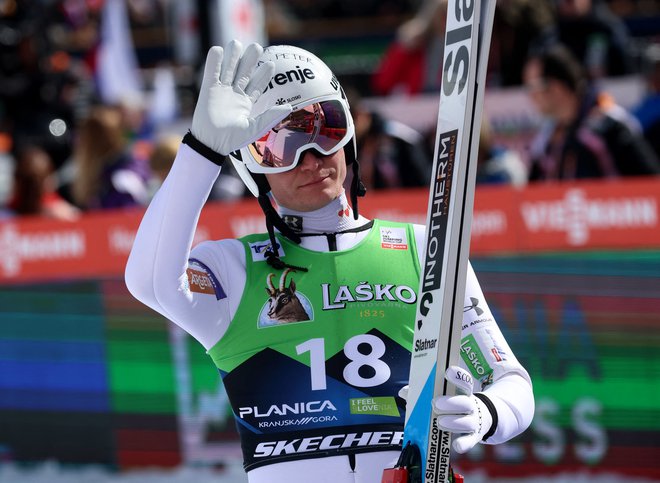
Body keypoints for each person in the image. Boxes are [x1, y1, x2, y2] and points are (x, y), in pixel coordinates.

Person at [125, 41, 534, 483]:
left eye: (327, 129)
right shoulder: (234, 270)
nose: (311, 157)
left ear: (350, 137)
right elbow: (149, 281)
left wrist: (485, 413)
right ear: (250, 168)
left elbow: (512, 384)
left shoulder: (425, 250)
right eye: (278, 146)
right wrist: (201, 151)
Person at [524, 43, 660, 181]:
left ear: (557, 86)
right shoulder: (546, 139)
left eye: (534, 86)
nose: (531, 96)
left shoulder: (609, 126)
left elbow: (651, 185)